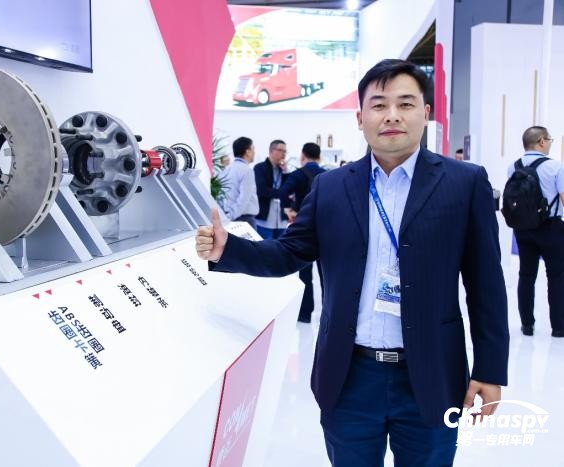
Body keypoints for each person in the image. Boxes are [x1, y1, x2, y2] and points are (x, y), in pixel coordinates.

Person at [196, 59, 509, 466]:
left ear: (426, 113)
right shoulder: (330, 187)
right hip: (350, 376)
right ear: (360, 118)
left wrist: (490, 369)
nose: (392, 115)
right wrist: (228, 249)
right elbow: (289, 252)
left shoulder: (464, 183)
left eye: (405, 103)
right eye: (378, 105)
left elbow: (486, 285)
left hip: (431, 374)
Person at [507, 126, 564, 337]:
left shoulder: (513, 167)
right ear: (541, 141)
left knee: (526, 274)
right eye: (549, 140)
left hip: (523, 228)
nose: (549, 143)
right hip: (551, 227)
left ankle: (527, 325)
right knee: (556, 276)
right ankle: (559, 327)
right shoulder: (556, 167)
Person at [278, 142, 326, 323]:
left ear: (302, 156)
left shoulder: (297, 174)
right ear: (319, 156)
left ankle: (305, 314)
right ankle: (328, 314)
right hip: (325, 227)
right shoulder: (327, 175)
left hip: (304, 228)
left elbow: (283, 191)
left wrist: (288, 210)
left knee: (305, 274)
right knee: (326, 274)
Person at [219, 136, 258, 229]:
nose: (254, 152)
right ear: (247, 151)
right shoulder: (247, 170)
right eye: (253, 149)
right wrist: (231, 217)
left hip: (229, 217)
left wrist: (227, 217)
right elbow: (243, 199)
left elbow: (221, 196)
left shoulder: (227, 169)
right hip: (244, 220)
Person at [254, 139, 289, 239]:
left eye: (285, 151)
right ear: (271, 151)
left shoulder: (283, 170)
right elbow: (262, 190)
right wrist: (282, 193)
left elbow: (289, 190)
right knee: (265, 247)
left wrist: (286, 172)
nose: (283, 154)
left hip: (281, 220)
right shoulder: (260, 168)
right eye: (280, 150)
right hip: (265, 219)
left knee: (281, 247)